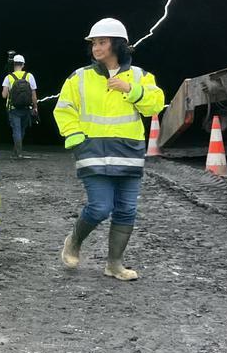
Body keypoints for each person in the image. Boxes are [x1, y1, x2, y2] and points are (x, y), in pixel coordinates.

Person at [54, 18, 164, 280]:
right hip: (93, 153)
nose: (96, 48)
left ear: (117, 45)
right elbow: (64, 109)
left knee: (126, 210)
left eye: (102, 42)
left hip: (129, 154)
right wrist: (76, 138)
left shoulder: (140, 77)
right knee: (100, 207)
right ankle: (74, 241)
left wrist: (132, 90)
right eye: (94, 43)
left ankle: (114, 264)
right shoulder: (80, 77)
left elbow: (155, 105)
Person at [1, 53, 38, 157]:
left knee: (16, 130)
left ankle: (18, 152)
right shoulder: (29, 76)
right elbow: (34, 94)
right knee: (22, 130)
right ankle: (17, 151)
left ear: (13, 64)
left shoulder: (8, 77)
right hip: (26, 108)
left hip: (13, 109)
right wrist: (35, 107)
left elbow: (4, 95)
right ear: (23, 65)